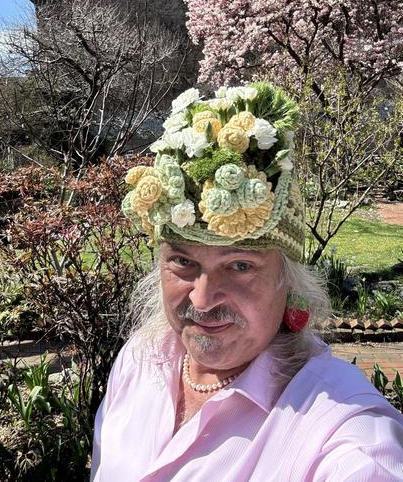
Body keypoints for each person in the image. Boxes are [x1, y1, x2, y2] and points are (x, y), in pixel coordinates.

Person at [91, 82, 403, 481]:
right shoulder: (141, 358)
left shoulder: (346, 430)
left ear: (288, 281)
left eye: (239, 266)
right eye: (182, 261)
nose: (202, 301)